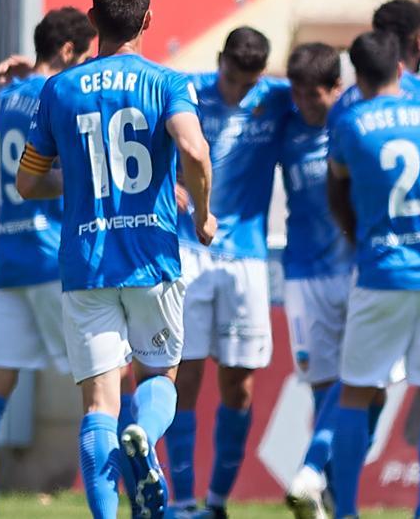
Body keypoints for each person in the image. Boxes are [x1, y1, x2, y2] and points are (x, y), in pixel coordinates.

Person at [285, 0, 420, 519]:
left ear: (357, 76)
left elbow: (335, 189)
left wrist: (358, 232)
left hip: (379, 270)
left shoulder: (350, 119)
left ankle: (343, 510)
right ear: (407, 59)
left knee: (357, 392)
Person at [16, 0, 216, 517]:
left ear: (94, 20)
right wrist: (201, 212)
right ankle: (145, 439)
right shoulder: (167, 82)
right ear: (147, 21)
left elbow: (28, 182)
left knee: (98, 407)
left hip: (85, 265)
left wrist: (73, 181)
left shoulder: (59, 88)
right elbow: (195, 153)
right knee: (159, 379)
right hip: (151, 261)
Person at [0, 6, 95, 519]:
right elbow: (62, 165)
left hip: (10, 261)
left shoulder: (2, 100)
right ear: (66, 53)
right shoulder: (57, 95)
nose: (87, 69)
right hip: (52, 257)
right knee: (106, 385)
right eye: (84, 58)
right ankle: (134, 500)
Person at [159, 26, 293, 519]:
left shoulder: (278, 97)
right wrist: (164, 183)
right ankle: (183, 499)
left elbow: (332, 94)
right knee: (184, 374)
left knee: (239, 383)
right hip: (187, 250)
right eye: (232, 78)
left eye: (247, 82)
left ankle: (216, 503)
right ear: (220, 61)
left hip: (247, 259)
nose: (238, 91)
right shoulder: (183, 89)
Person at [274, 42, 351, 519]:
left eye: (313, 96)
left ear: (336, 89)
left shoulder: (352, 122)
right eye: (296, 94)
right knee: (328, 390)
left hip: (355, 272)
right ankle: (327, 492)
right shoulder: (284, 125)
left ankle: (311, 471)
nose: (303, 104)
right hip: (302, 278)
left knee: (363, 384)